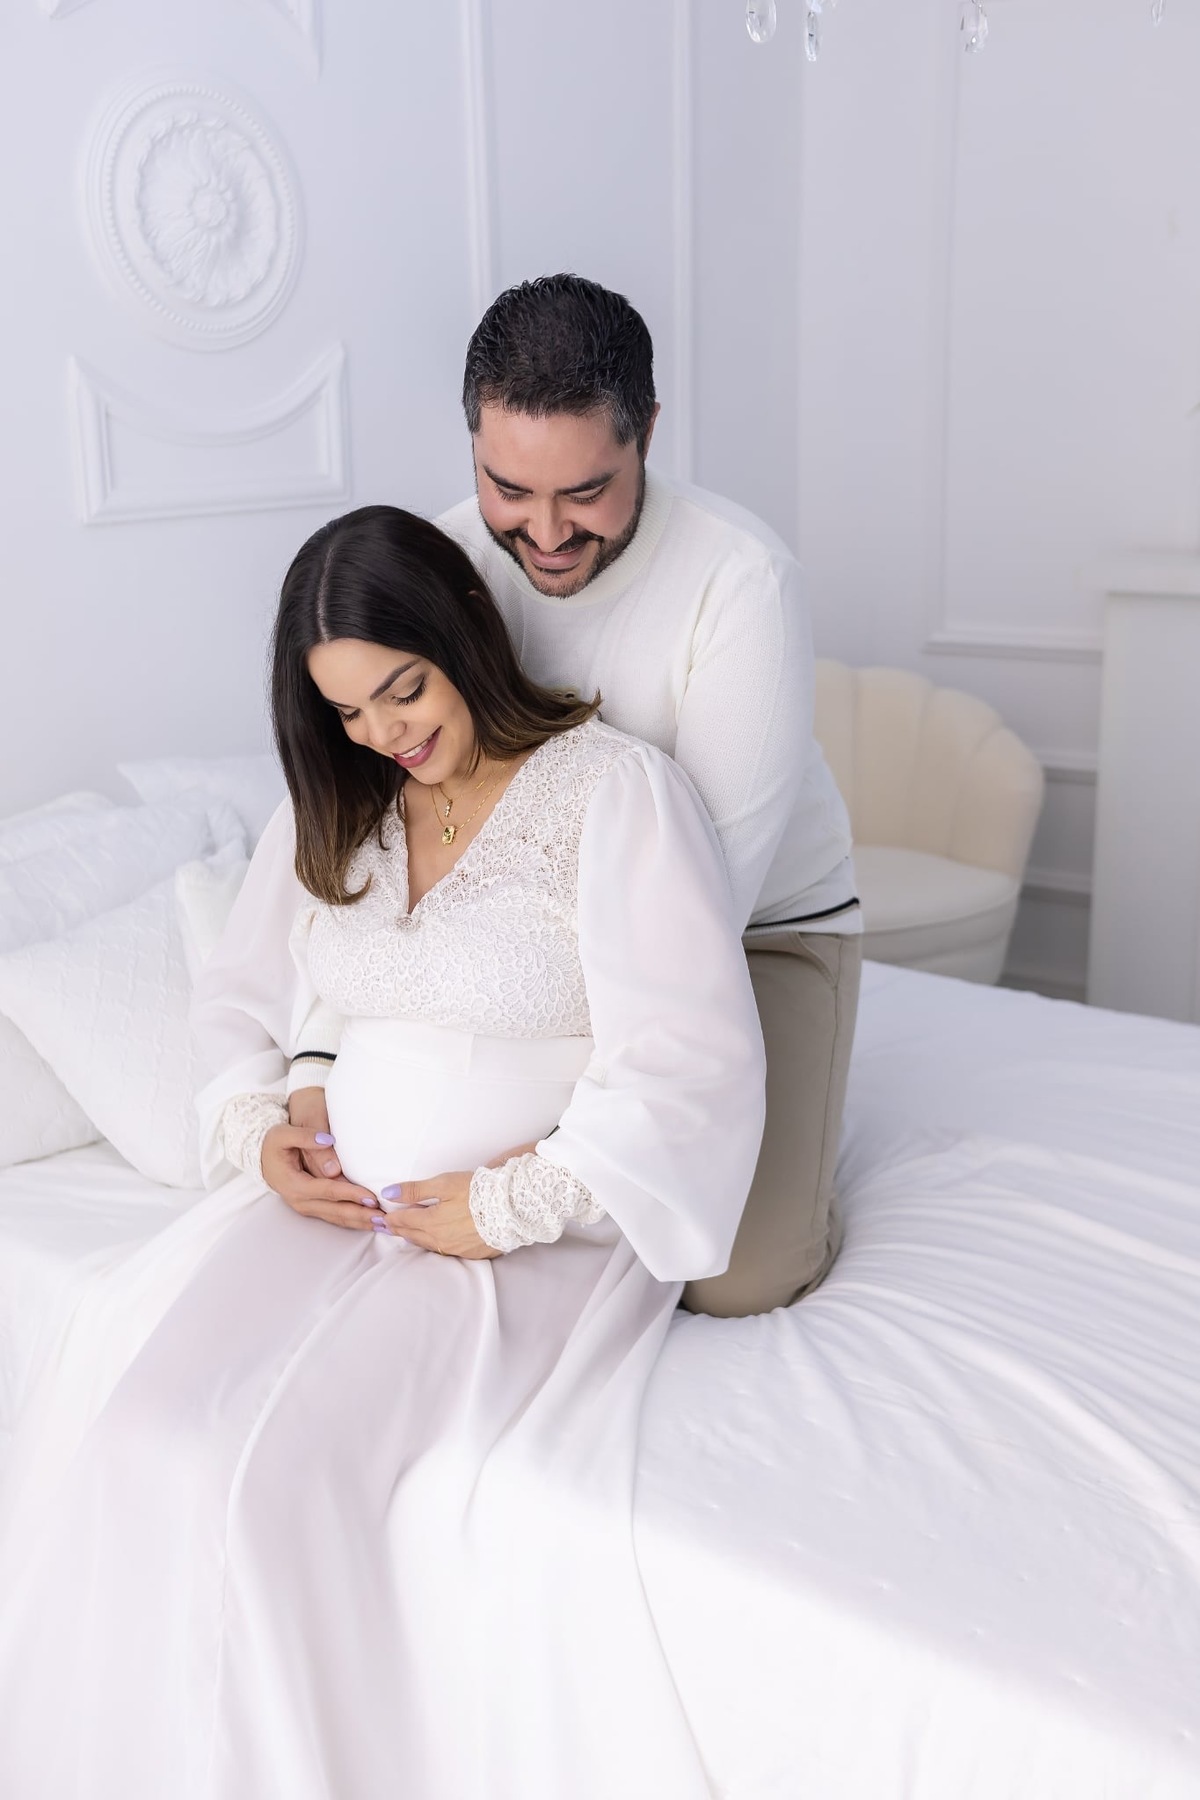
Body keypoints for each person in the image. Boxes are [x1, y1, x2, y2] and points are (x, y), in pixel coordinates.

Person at [0, 506, 765, 1800]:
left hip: (532, 1234)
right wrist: (269, 1120)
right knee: (142, 1435)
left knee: (279, 1489)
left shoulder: (610, 791)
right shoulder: (348, 808)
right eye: (349, 712)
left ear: (462, 633)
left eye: (403, 689)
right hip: (341, 1211)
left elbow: (691, 1051)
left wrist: (518, 1201)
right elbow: (246, 991)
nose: (385, 731)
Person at [293, 274, 862, 1316]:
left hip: (751, 926)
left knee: (729, 1280)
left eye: (587, 491)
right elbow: (360, 847)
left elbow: (692, 928)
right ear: (472, 442)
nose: (546, 533)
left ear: (646, 430)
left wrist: (550, 1163)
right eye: (510, 488)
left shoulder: (741, 585)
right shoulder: (448, 555)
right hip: (538, 919)